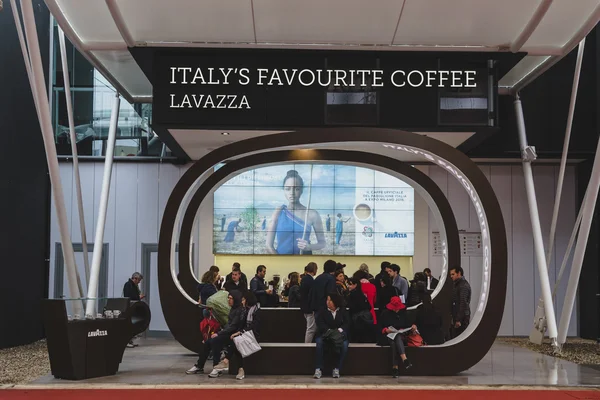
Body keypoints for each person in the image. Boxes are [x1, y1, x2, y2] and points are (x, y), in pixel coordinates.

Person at [186, 291, 246, 377]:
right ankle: (199, 365)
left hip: (235, 335)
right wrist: (220, 333)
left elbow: (233, 326)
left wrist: (219, 333)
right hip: (228, 333)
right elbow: (229, 325)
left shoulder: (239, 310)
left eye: (231, 298)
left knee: (215, 341)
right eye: (228, 298)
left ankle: (216, 367)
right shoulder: (233, 309)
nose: (229, 300)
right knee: (208, 342)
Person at [266, 170, 326, 255]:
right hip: (282, 262)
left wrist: (309, 247)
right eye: (287, 189)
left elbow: (322, 243)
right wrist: (280, 261)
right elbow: (269, 246)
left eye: (296, 189)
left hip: (305, 262)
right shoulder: (278, 212)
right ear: (283, 190)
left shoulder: (312, 214)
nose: (292, 193)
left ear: (301, 190)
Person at [313, 293, 350, 379]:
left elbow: (347, 323)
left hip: (339, 335)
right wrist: (328, 331)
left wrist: (340, 330)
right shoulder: (322, 311)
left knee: (344, 345)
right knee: (319, 344)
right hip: (325, 334)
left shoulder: (343, 311)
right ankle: (318, 368)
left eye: (330, 300)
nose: (328, 302)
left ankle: (337, 368)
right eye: (327, 300)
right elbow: (320, 323)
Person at [228, 291, 261, 380]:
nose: (242, 302)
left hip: (254, 335)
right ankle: (240, 368)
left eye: (243, 300)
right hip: (246, 333)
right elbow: (242, 324)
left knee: (236, 341)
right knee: (235, 340)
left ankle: (227, 360)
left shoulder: (256, 310)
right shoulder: (245, 310)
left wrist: (240, 332)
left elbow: (254, 326)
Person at [379, 297, 414, 377]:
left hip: (401, 335)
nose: (395, 310)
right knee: (394, 341)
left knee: (397, 338)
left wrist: (412, 327)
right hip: (388, 335)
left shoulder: (403, 314)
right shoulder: (385, 314)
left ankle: (395, 367)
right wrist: (385, 330)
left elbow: (408, 325)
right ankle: (404, 359)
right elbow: (380, 327)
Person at [346, 277, 374, 343]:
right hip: (364, 318)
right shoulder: (362, 294)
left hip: (356, 319)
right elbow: (369, 306)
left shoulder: (352, 294)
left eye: (350, 284)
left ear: (355, 285)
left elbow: (351, 306)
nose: (349, 286)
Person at [123, 272, 144, 348]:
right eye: (138, 280)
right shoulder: (128, 285)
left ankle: (130, 340)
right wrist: (138, 297)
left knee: (132, 325)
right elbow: (129, 296)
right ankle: (127, 341)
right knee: (129, 325)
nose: (139, 282)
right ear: (135, 278)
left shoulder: (133, 286)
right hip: (130, 307)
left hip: (133, 307)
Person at [450, 266, 471, 338]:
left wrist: (458, 319)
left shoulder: (463, 286)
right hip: (459, 315)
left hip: (462, 318)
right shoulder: (457, 284)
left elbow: (463, 303)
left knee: (460, 337)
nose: (451, 276)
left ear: (459, 273)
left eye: (453, 274)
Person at [300, 262, 318, 343]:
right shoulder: (310, 280)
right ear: (314, 270)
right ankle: (307, 346)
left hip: (304, 307)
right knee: (310, 329)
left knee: (310, 328)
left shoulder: (304, 279)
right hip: (310, 308)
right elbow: (312, 296)